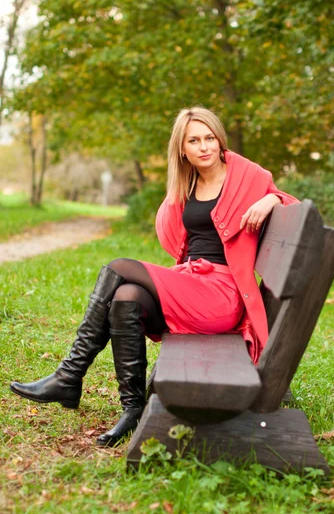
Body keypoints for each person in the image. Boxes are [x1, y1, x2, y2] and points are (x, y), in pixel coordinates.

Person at [10, 107, 299, 447]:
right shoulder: (188, 184)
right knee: (125, 297)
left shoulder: (245, 176)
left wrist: (269, 200)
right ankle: (132, 409)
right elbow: (177, 232)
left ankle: (69, 375)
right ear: (182, 149)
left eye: (209, 138)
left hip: (221, 295)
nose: (204, 146)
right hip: (191, 282)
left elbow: (294, 206)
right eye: (194, 140)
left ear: (219, 140)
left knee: (119, 267)